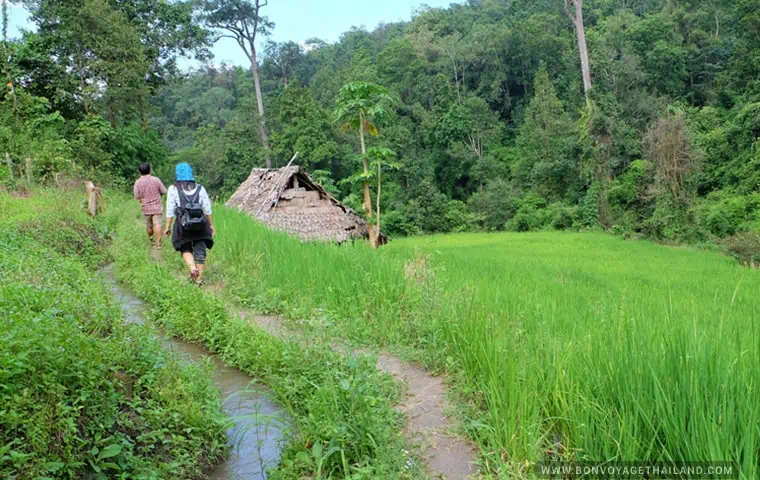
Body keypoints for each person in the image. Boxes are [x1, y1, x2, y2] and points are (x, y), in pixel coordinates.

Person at [164, 163, 215, 284]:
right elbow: (207, 208)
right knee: (200, 249)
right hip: (200, 223)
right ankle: (199, 280)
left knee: (184, 246)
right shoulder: (200, 188)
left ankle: (192, 268)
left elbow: (170, 209)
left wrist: (168, 226)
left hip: (183, 224)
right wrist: (211, 225)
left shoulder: (174, 188)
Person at [133, 163, 167, 248]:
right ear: (150, 170)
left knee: (149, 226)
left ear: (139, 171)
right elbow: (164, 191)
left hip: (146, 207)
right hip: (157, 206)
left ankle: (151, 240)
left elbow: (137, 196)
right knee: (157, 224)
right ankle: (158, 244)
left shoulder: (137, 182)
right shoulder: (156, 180)